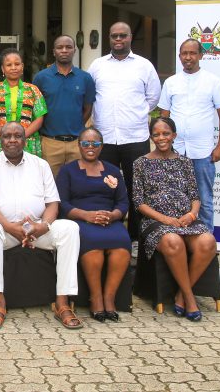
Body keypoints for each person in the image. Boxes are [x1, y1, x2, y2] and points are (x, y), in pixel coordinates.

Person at [0, 122, 82, 330]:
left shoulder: (40, 165)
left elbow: (52, 203)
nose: (12, 140)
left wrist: (43, 226)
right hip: (4, 230)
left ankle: (62, 302)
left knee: (70, 228)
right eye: (7, 136)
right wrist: (9, 227)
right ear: (1, 140)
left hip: (36, 229)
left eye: (17, 136)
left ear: (25, 140)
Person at [132, 117, 217, 322]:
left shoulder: (185, 162)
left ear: (174, 136)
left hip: (186, 220)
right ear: (151, 137)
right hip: (157, 222)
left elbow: (195, 196)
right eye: (156, 134)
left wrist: (191, 214)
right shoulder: (140, 163)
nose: (161, 138)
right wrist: (165, 219)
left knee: (208, 242)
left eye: (166, 133)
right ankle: (189, 297)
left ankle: (180, 294)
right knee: (173, 241)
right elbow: (138, 202)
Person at [88, 22, 161, 240]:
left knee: (136, 189)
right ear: (109, 39)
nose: (118, 40)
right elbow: (91, 97)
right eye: (114, 36)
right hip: (106, 138)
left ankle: (136, 237)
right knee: (107, 187)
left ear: (130, 38)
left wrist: (135, 114)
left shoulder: (144, 65)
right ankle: (112, 233)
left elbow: (153, 98)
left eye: (123, 36)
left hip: (135, 137)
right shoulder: (97, 65)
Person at [56, 127, 131, 322]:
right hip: (81, 220)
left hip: (109, 220)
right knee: (94, 248)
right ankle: (96, 298)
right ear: (79, 146)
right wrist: (86, 216)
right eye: (86, 143)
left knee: (122, 245)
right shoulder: (68, 170)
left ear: (101, 146)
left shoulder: (113, 170)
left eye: (95, 143)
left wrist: (113, 215)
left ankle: (109, 297)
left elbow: (123, 201)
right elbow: (62, 203)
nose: (91, 147)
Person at [159, 38, 220, 232]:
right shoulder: (171, 82)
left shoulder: (213, 81)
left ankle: (206, 243)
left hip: (203, 153)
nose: (188, 57)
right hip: (176, 152)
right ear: (180, 56)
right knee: (174, 197)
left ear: (200, 55)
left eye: (192, 53)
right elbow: (163, 118)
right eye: (184, 53)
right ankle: (178, 239)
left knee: (204, 199)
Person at [33, 35, 96, 177]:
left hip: (77, 143)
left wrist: (76, 126)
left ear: (74, 50)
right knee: (49, 186)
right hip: (50, 143)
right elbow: (35, 110)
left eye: (68, 47)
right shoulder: (41, 78)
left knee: (77, 184)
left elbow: (88, 109)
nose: (64, 50)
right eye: (60, 47)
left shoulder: (85, 78)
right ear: (54, 51)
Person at [0, 47, 47, 157]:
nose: (13, 67)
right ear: (2, 68)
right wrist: (5, 134)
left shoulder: (33, 90)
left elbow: (39, 118)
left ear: (22, 66)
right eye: (9, 65)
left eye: (17, 64)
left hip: (27, 142)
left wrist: (22, 135)